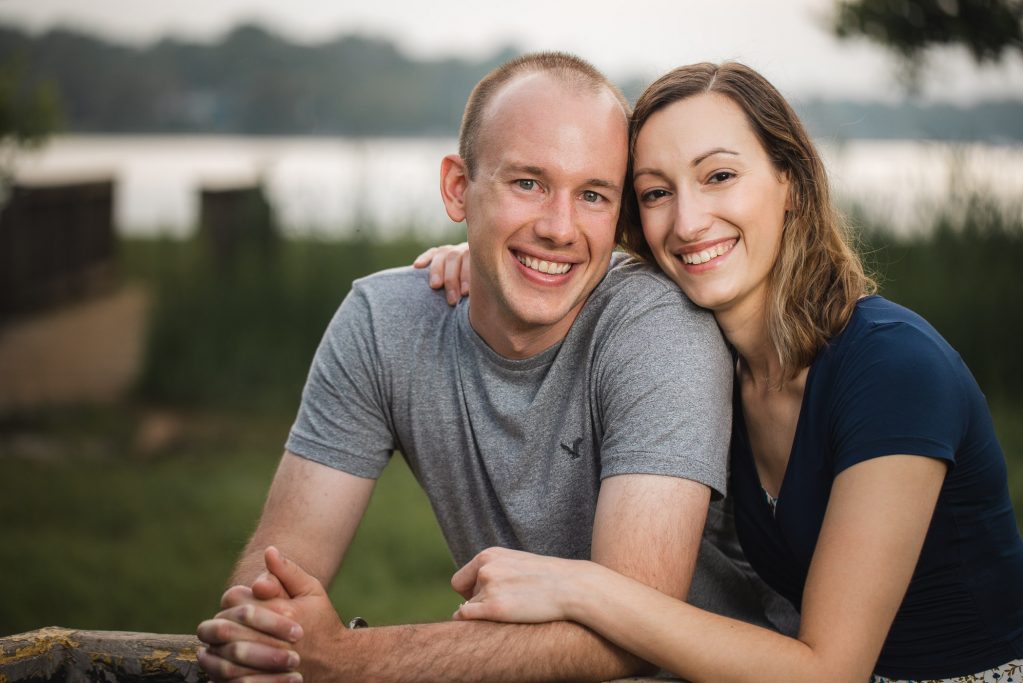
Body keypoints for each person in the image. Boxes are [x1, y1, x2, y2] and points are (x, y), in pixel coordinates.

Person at [195, 53, 796, 683]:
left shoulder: (658, 325)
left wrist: (346, 659)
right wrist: (260, 638)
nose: (559, 228)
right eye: (528, 183)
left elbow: (635, 633)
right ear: (458, 188)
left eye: (592, 194)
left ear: (617, 216)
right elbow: (273, 581)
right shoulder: (383, 322)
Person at [422, 62, 1023, 681]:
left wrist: (582, 590)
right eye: (657, 192)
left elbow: (829, 671)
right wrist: (498, 256)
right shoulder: (714, 365)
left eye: (720, 176)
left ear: (789, 181)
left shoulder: (894, 369)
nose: (688, 222)